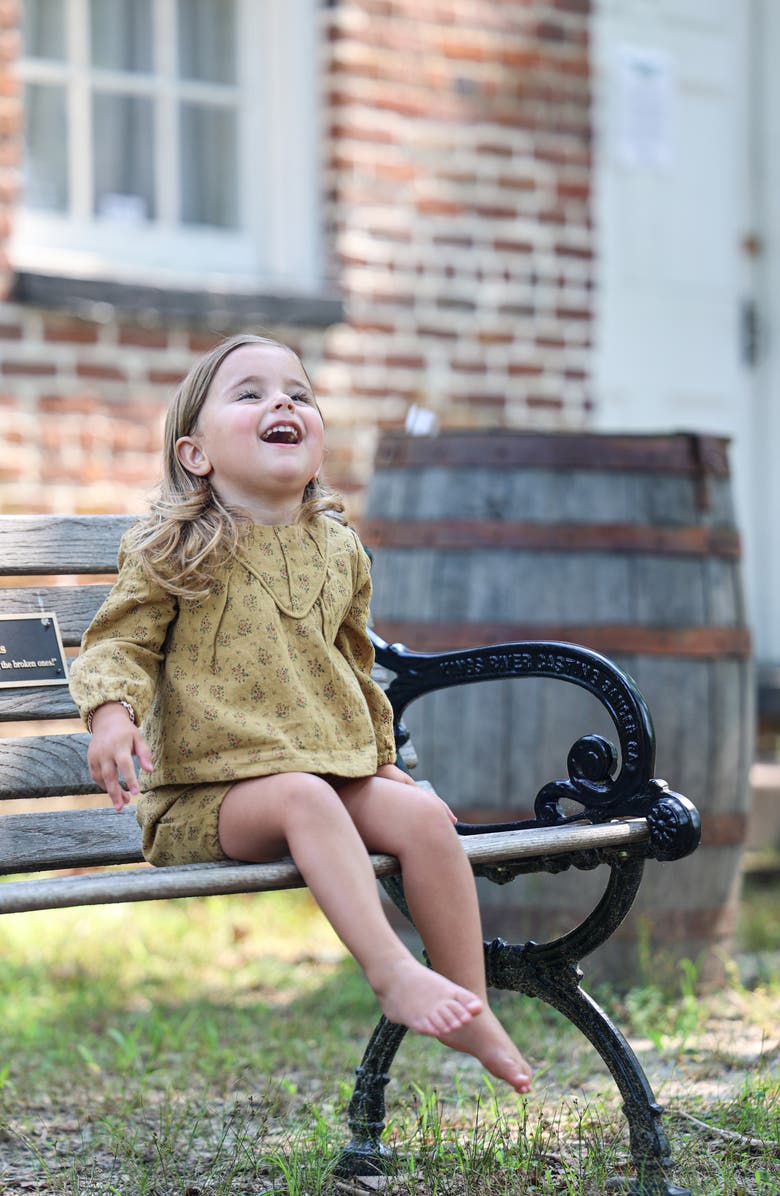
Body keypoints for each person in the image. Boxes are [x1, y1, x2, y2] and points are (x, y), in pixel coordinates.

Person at [69, 333, 533, 1093]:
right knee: (304, 795)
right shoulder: (176, 545)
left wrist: (384, 768)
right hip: (204, 801)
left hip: (325, 778)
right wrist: (112, 715)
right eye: (249, 394)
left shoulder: (339, 548)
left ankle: (470, 999)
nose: (282, 402)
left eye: (298, 393)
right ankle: (391, 972)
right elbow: (119, 642)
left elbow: (353, 669)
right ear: (196, 454)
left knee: (424, 819)